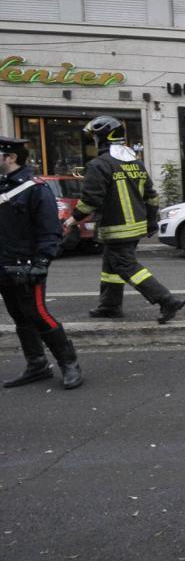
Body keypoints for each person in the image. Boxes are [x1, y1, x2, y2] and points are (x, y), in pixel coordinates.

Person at [65, 117, 185, 323]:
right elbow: (151, 196)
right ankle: (110, 306)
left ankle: (166, 300)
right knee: (111, 267)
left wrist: (72, 219)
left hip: (116, 228)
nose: (93, 141)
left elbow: (91, 199)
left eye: (95, 137)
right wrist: (151, 220)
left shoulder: (99, 164)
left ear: (102, 138)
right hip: (135, 227)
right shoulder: (135, 163)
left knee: (126, 266)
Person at [0, 136, 82, 389]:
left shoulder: (35, 188)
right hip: (4, 264)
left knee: (38, 314)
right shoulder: (3, 186)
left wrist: (42, 262)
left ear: (11, 158)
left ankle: (69, 364)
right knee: (19, 316)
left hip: (26, 265)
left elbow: (50, 230)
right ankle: (36, 365)